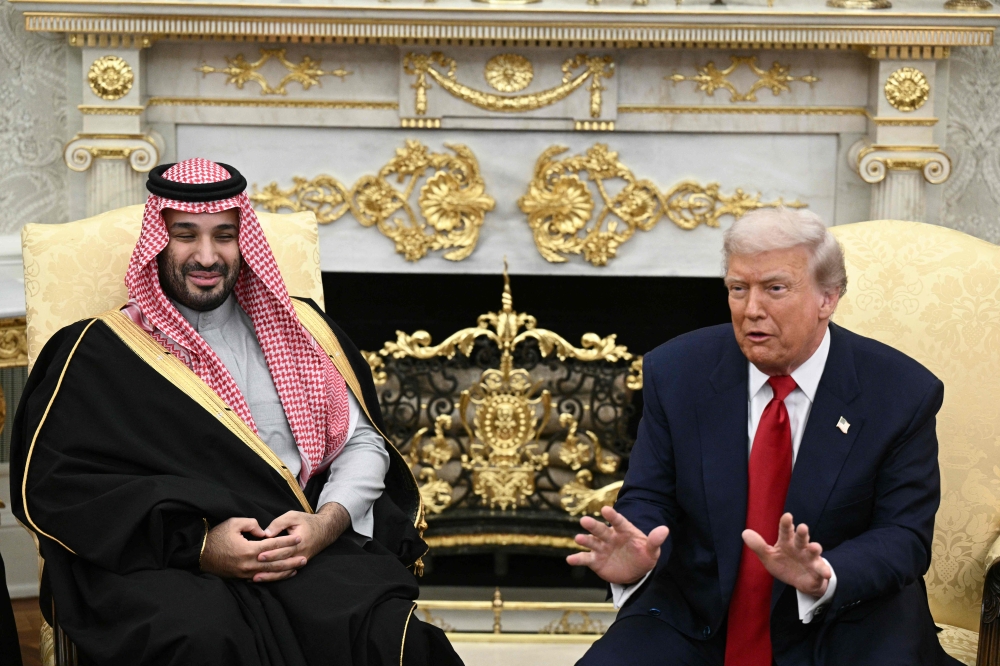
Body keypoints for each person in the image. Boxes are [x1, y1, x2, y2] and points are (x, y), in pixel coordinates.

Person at [9, 158, 463, 666]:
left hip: (300, 551)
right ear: (159, 240)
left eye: (224, 236)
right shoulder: (97, 353)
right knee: (200, 641)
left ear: (243, 240)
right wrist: (200, 546)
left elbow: (361, 444)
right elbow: (60, 488)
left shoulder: (303, 331)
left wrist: (325, 526)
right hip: (162, 562)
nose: (207, 256)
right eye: (186, 235)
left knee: (397, 641)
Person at [569, 208, 957, 666]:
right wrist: (640, 551)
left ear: (827, 299)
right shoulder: (677, 372)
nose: (751, 309)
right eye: (738, 289)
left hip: (846, 618)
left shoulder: (900, 391)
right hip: (698, 617)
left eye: (774, 288)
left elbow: (904, 535)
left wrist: (825, 574)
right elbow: (650, 497)